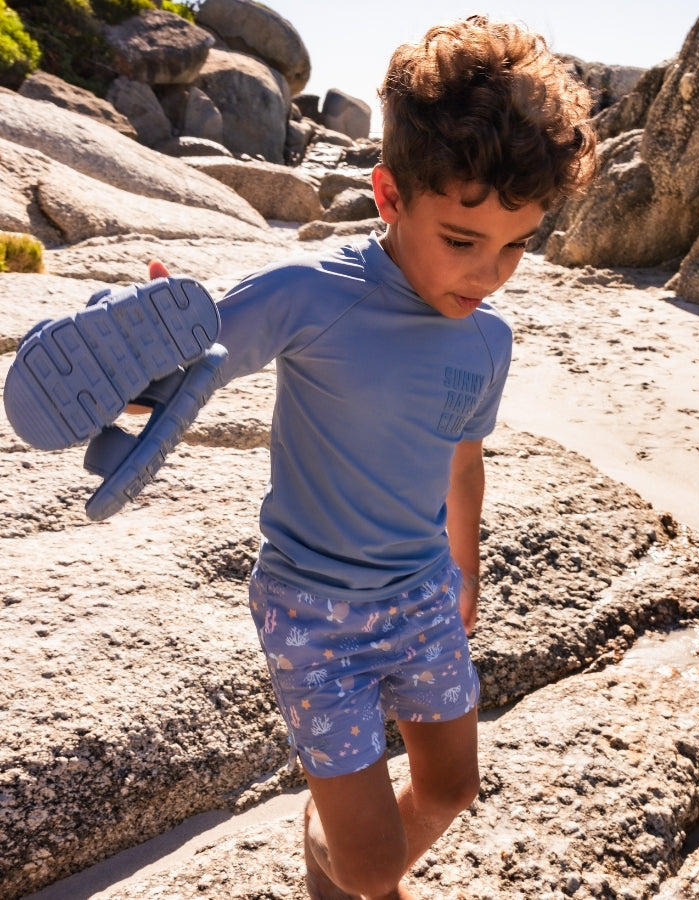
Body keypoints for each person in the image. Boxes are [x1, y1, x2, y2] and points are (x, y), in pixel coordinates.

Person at [15, 15, 594, 900]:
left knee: (452, 787)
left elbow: (463, 458)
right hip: (313, 615)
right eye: (463, 240)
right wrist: (137, 358)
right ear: (390, 196)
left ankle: (340, 857)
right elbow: (185, 370)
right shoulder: (310, 295)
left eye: (517, 244)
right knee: (371, 870)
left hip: (424, 596)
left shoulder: (489, 341)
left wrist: (465, 572)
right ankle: (338, 850)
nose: (489, 274)